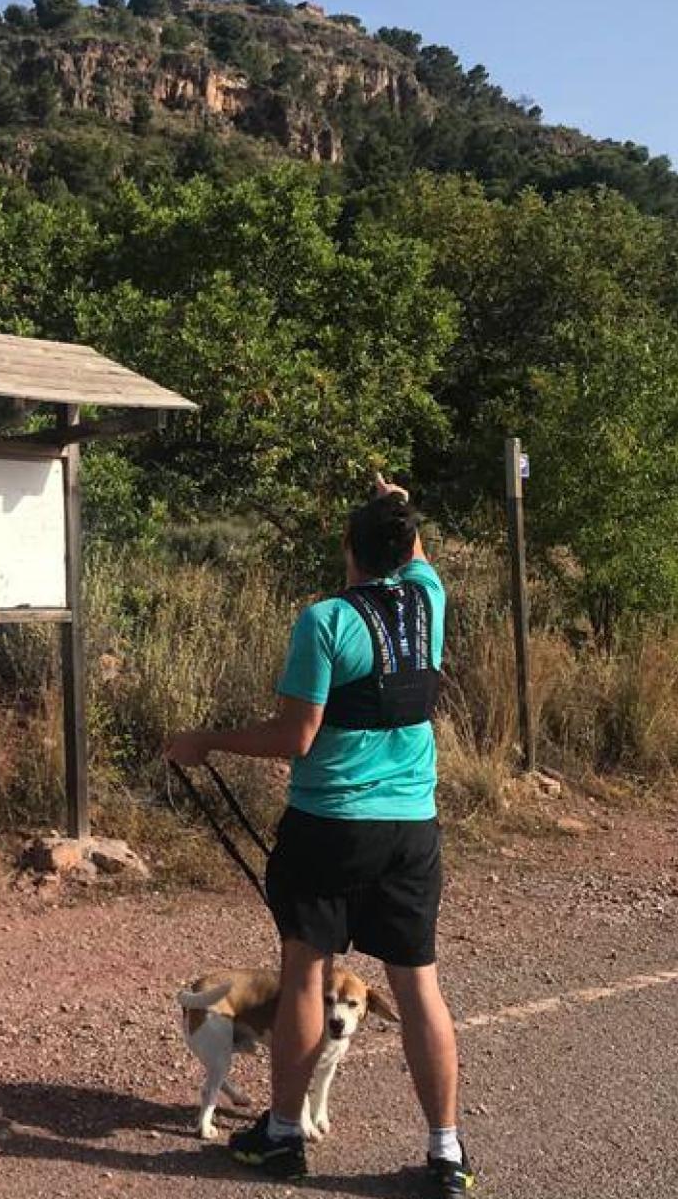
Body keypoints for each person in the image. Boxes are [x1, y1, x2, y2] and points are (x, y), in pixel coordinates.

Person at [164, 474, 475, 1197]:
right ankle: (446, 1151)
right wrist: (399, 498)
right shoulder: (428, 598)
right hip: (411, 829)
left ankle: (281, 1136)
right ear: (405, 549)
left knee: (306, 972)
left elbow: (296, 735)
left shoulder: (326, 620)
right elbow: (417, 551)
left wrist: (206, 742)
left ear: (348, 549)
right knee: (418, 983)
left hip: (331, 825)